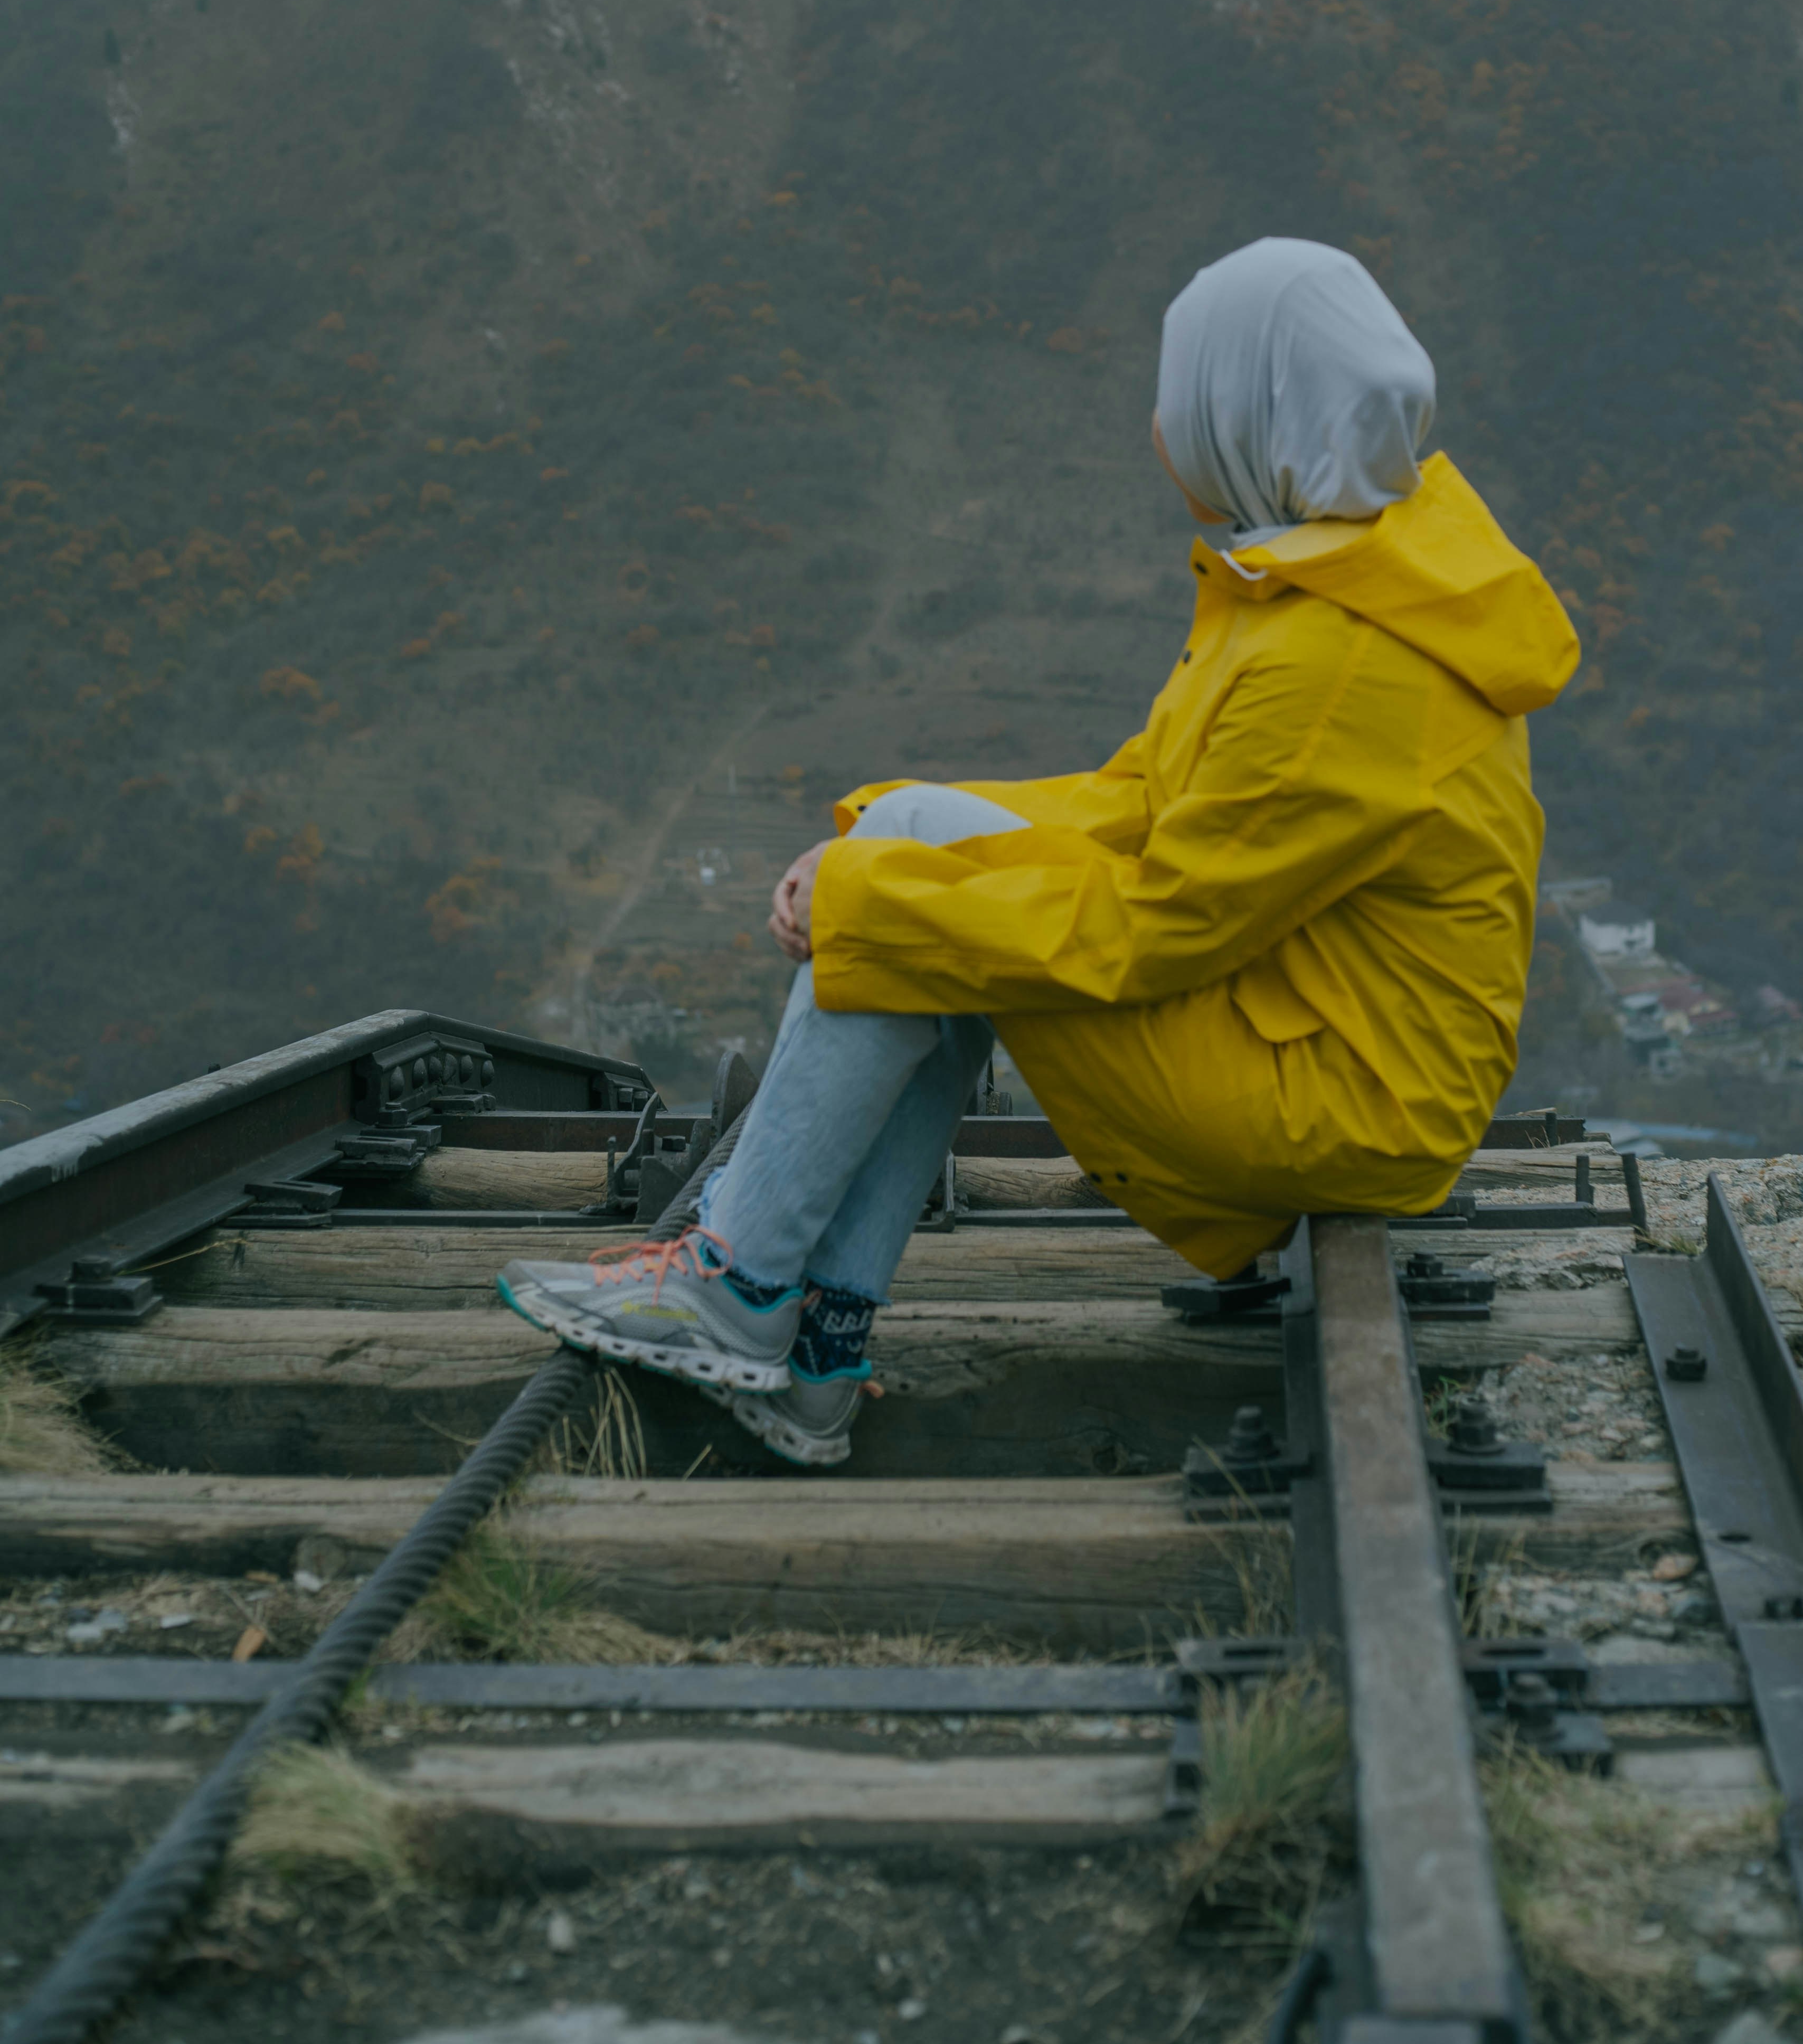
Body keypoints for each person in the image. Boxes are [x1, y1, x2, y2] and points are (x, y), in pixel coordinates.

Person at [499, 236, 1578, 1466]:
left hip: (1336, 1098)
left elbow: (1155, 926)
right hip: (1311, 1032)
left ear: (1249, 413)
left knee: (921, 915)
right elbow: (1138, 800)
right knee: (915, 864)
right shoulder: (1353, 571)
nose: (1160, 424)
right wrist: (894, 826)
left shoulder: (1335, 660)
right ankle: (814, 1350)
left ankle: (737, 1287)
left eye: (1183, 392)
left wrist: (876, 900)